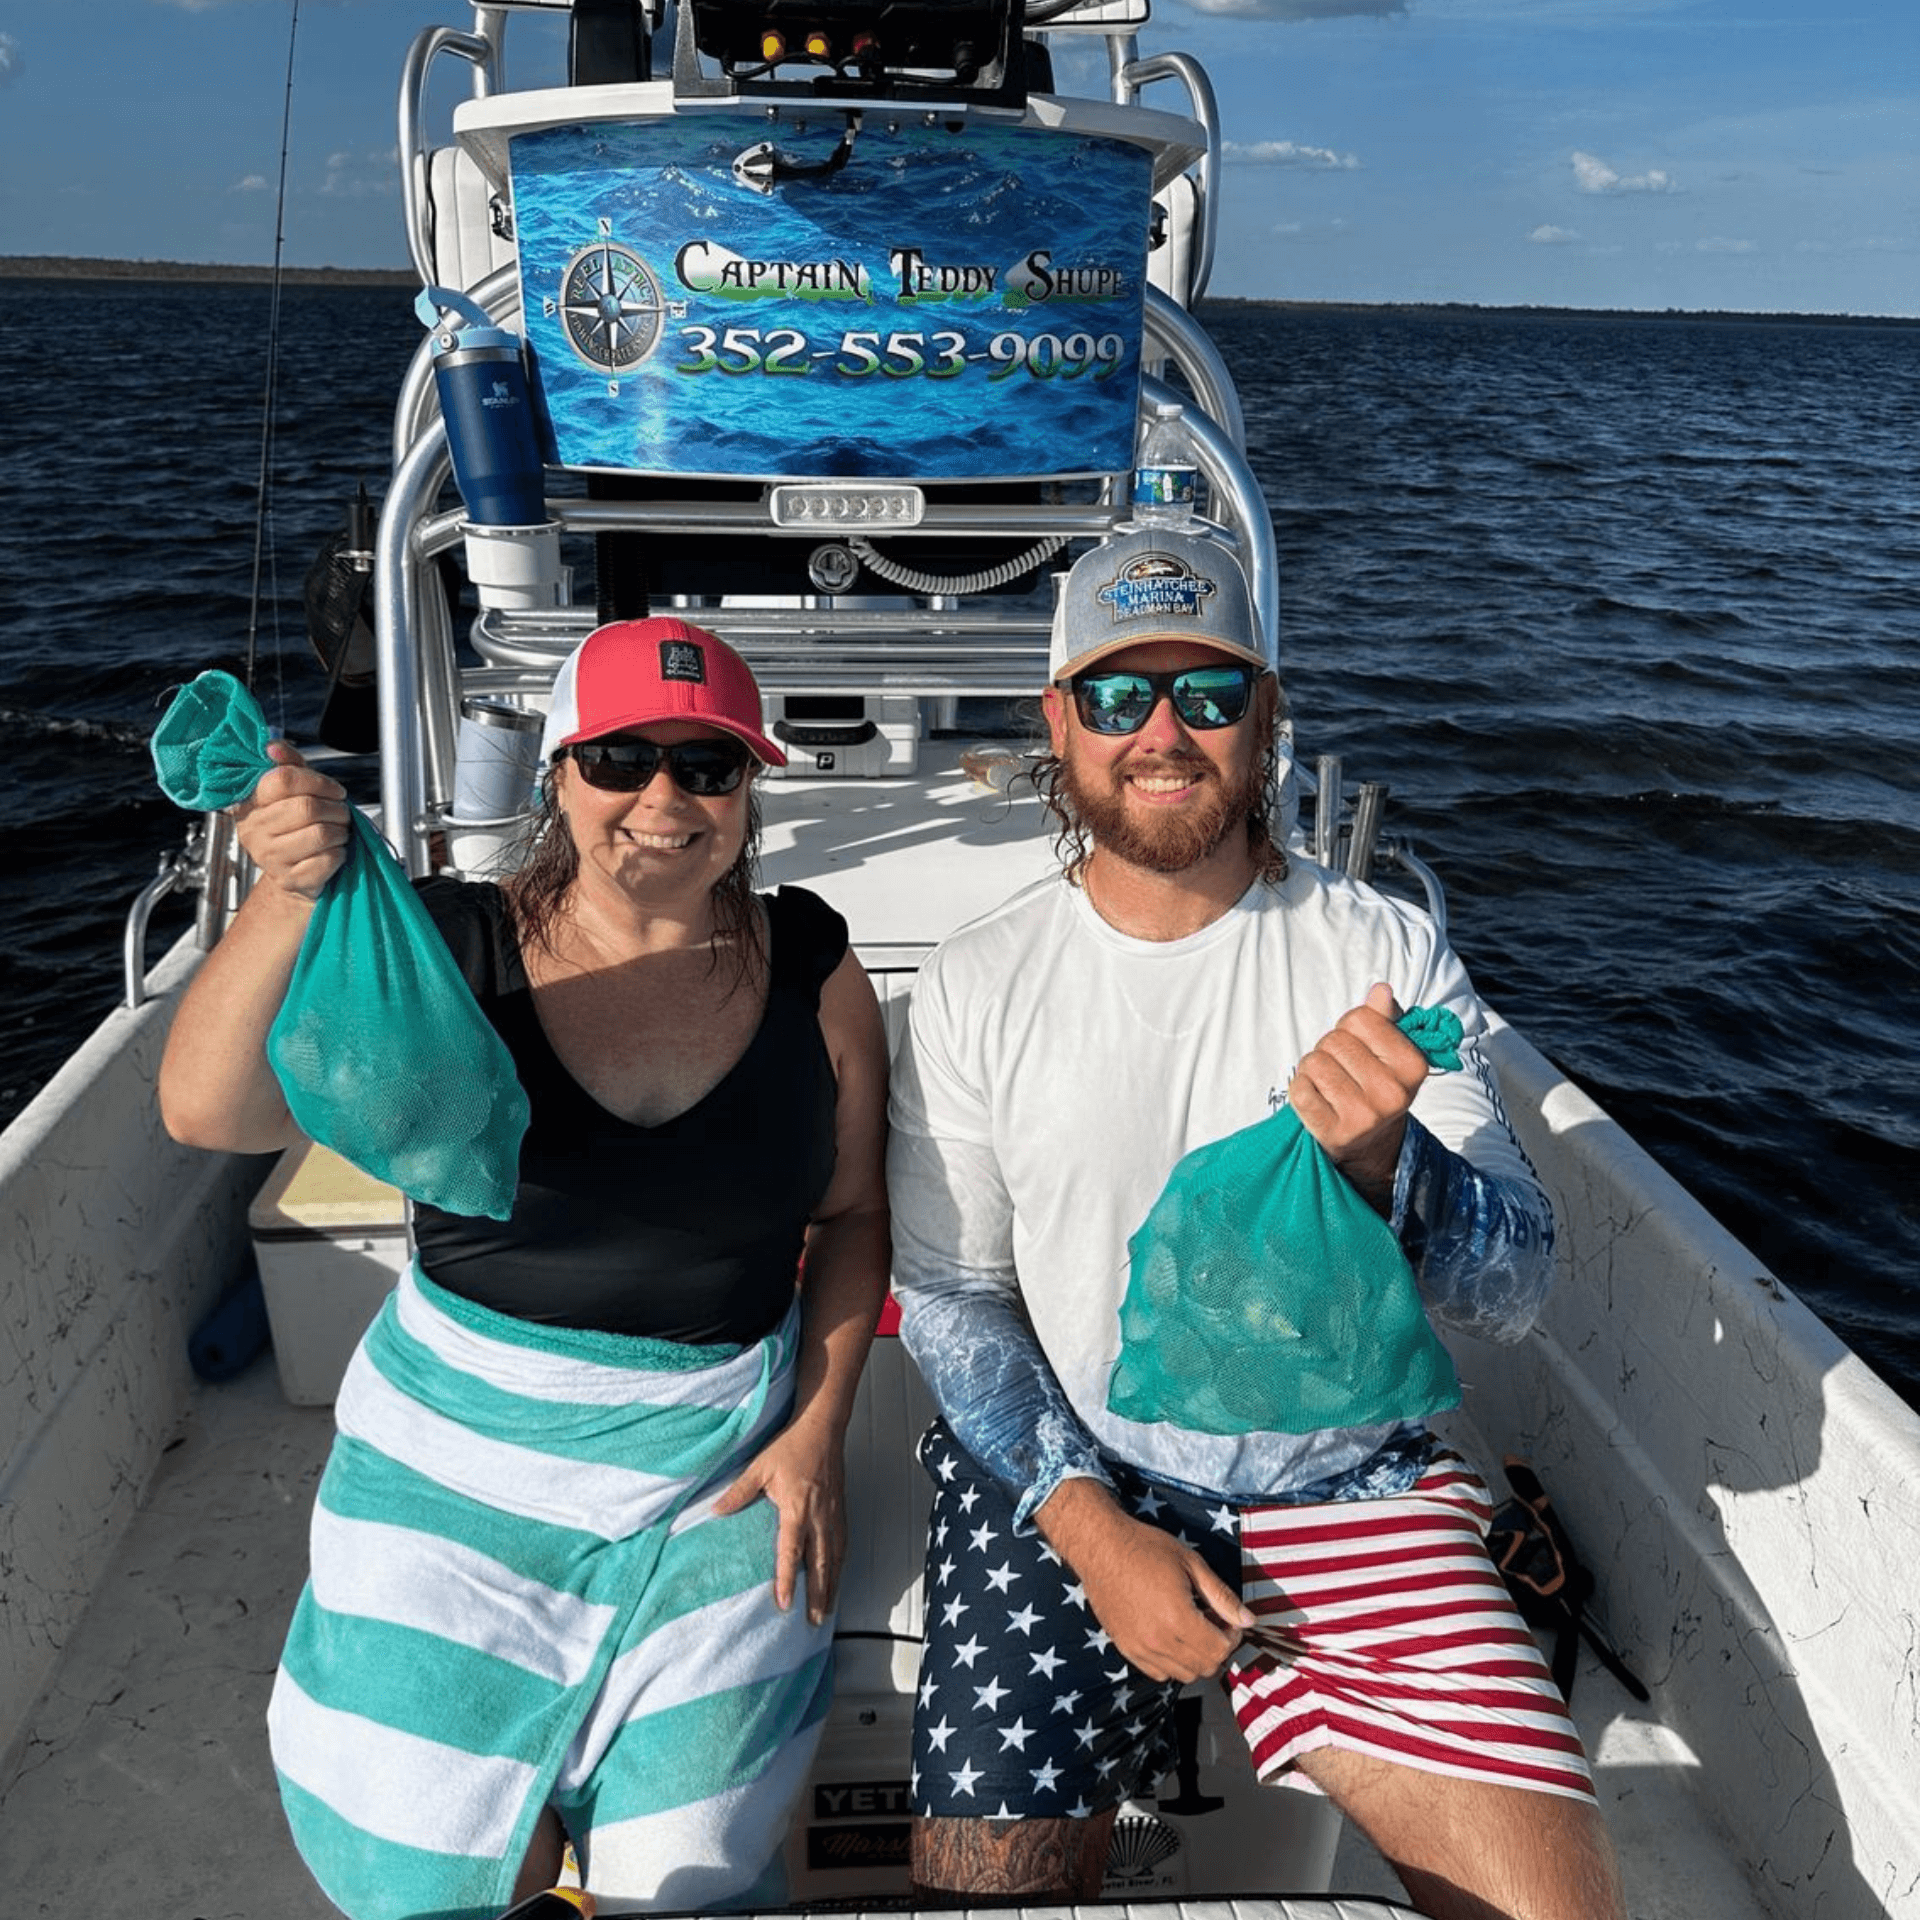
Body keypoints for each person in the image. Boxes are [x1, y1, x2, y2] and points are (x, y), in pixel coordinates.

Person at [886, 527, 1627, 1920]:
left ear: (1264, 716)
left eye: (1208, 695)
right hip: (1078, 1476)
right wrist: (1097, 1537)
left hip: (1348, 1485)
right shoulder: (979, 978)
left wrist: (1384, 1175)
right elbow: (952, 1294)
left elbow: (1515, 1283)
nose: (1162, 733)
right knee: (980, 1899)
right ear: (1059, 722)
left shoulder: (1381, 950)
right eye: (1118, 696)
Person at [160, 617, 890, 1920]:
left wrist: (819, 1432)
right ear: (558, 775)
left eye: (707, 766)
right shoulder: (446, 948)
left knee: (690, 1864)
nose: (663, 798)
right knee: (412, 1869)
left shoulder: (815, 969)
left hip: (718, 1452)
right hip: (458, 1447)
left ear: (749, 790)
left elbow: (847, 1217)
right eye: (619, 759)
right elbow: (212, 1113)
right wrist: (289, 893)